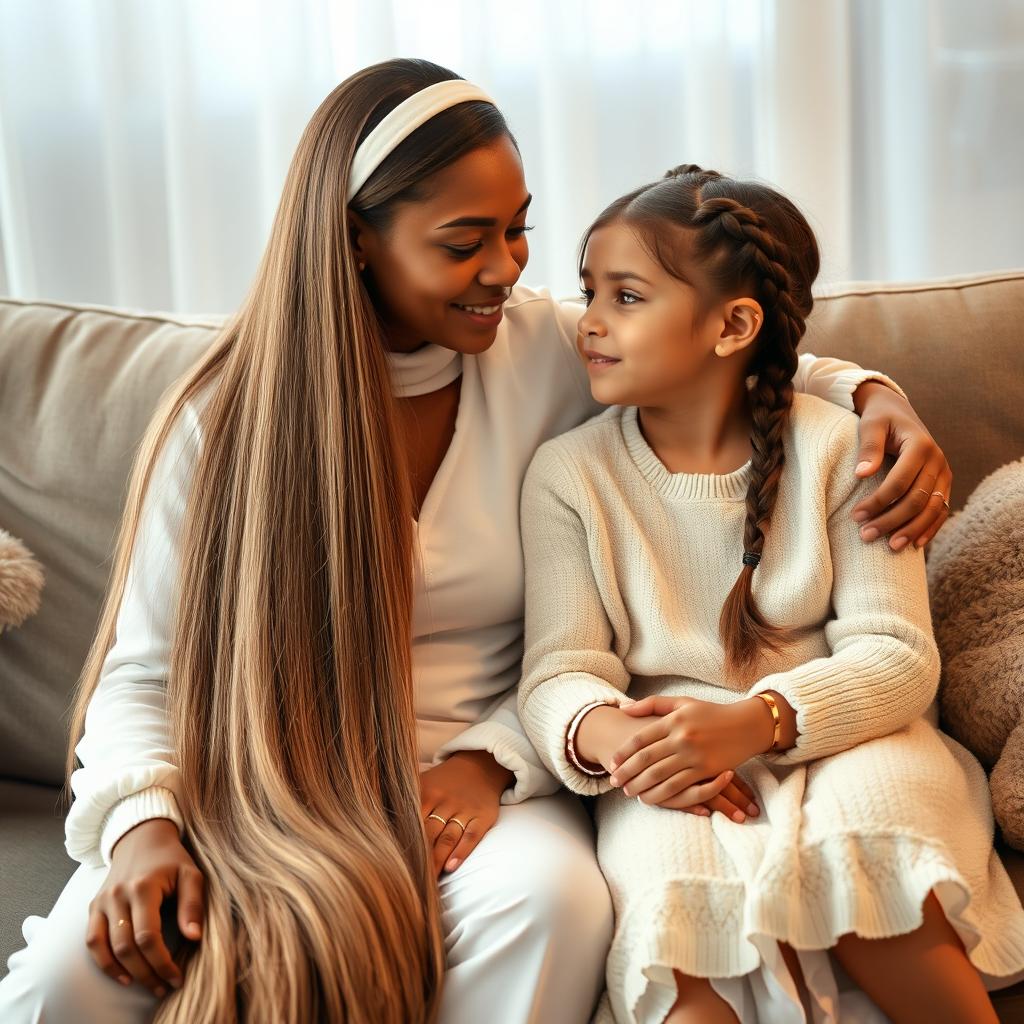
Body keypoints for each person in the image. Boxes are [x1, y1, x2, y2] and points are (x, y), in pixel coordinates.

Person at [0, 62, 952, 1024]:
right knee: (62, 985)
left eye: (517, 228)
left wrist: (879, 398)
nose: (507, 268)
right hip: (265, 792)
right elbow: (146, 672)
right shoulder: (221, 419)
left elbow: (726, 350)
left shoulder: (540, 350)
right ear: (358, 244)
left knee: (554, 908)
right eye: (465, 243)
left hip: (487, 776)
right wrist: (142, 827)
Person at [515, 165, 1024, 1024]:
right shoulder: (568, 475)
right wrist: (614, 737)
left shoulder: (843, 448)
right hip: (670, 762)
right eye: (588, 290)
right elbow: (558, 668)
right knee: (677, 914)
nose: (590, 322)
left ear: (734, 326)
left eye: (626, 296)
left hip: (855, 730)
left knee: (866, 849)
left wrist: (761, 722)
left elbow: (896, 656)